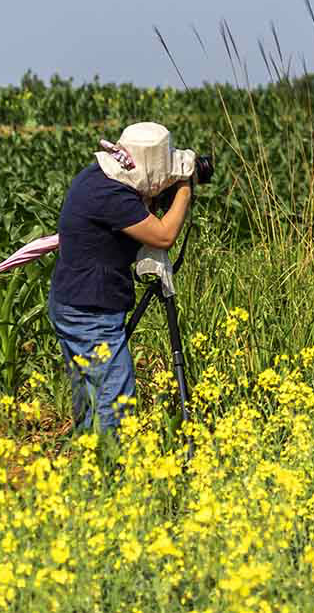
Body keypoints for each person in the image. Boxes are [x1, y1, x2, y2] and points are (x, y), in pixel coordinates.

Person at [48, 122, 196, 435]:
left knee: (91, 399)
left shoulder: (97, 178)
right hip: (90, 312)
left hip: (77, 301)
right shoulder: (111, 195)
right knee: (114, 399)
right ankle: (108, 469)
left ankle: (89, 470)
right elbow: (164, 235)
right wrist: (184, 188)